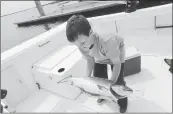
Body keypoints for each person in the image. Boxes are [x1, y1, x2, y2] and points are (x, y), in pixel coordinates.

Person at [66, 15, 130, 113]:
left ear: (91, 33)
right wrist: (85, 81)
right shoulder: (81, 45)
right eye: (78, 45)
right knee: (97, 77)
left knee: (118, 82)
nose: (81, 47)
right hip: (100, 56)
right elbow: (90, 61)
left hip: (116, 53)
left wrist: (109, 85)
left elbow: (117, 64)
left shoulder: (108, 41)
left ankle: (122, 101)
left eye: (83, 43)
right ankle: (102, 95)